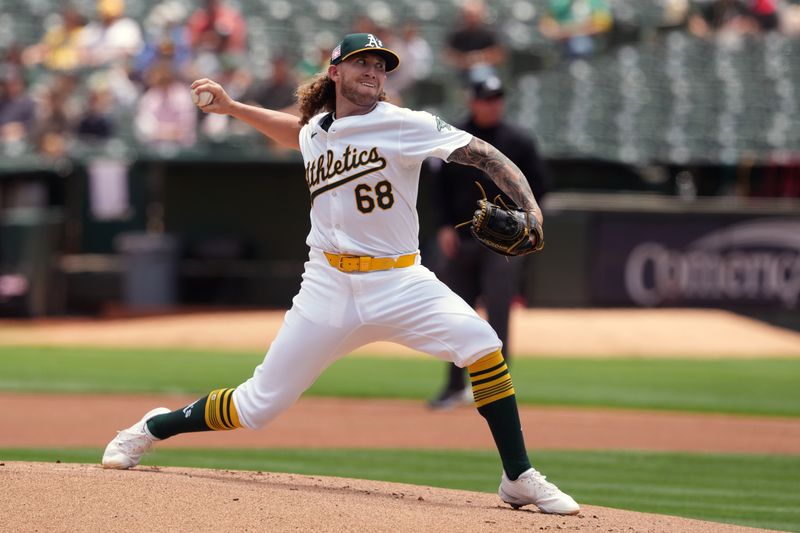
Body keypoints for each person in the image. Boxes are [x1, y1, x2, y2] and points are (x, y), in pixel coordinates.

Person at [101, 32, 579, 516]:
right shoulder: (316, 130)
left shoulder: (403, 124)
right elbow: (296, 133)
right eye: (361, 62)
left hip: (400, 281)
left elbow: (485, 154)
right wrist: (233, 107)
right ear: (335, 72)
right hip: (327, 286)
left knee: (483, 346)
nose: (373, 71)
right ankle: (152, 428)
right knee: (256, 407)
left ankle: (518, 476)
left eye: (380, 64)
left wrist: (531, 209)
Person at [427, 73, 550, 410]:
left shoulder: (519, 141)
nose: (493, 104)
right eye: (486, 98)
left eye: (497, 97)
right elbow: (436, 189)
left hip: (502, 248)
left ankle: (498, 394)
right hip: (460, 242)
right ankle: (453, 386)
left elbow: (540, 185)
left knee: (499, 317)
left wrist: (525, 219)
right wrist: (443, 227)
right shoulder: (452, 137)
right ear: (471, 99)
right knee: (455, 317)